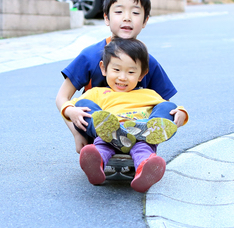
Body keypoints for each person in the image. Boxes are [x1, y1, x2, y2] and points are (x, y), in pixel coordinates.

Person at [55, 0, 185, 154]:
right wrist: (77, 133)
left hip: (137, 127)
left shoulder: (148, 61)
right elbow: (62, 97)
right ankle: (107, 144)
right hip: (98, 130)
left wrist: (177, 114)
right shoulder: (91, 55)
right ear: (106, 17)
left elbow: (163, 104)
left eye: (136, 12)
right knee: (83, 104)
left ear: (145, 20)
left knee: (168, 109)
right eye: (119, 11)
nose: (127, 17)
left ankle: (143, 144)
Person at [60, 38, 188, 193]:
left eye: (131, 72)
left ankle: (145, 169)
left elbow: (167, 106)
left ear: (142, 75)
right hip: (107, 133)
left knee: (167, 107)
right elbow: (72, 106)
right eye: (116, 70)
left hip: (140, 135)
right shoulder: (97, 92)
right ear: (104, 68)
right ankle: (96, 162)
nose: (122, 77)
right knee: (83, 107)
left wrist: (180, 112)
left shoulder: (148, 94)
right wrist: (70, 110)